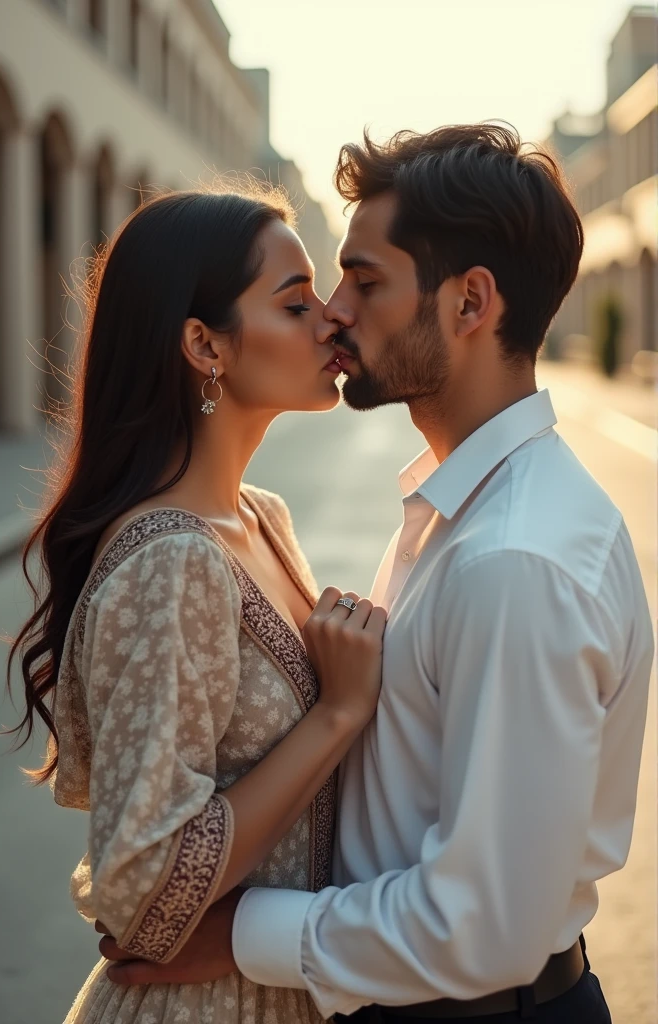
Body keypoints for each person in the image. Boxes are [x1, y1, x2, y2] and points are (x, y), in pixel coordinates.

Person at [99, 125, 654, 1023]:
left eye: (365, 281)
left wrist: (238, 936)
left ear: (470, 302)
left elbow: (481, 926)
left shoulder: (513, 560)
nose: (337, 312)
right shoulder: (457, 511)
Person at [7, 185, 388, 1024]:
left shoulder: (261, 516)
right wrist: (338, 713)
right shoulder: (174, 561)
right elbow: (143, 890)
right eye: (296, 302)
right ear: (203, 344)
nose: (331, 318)